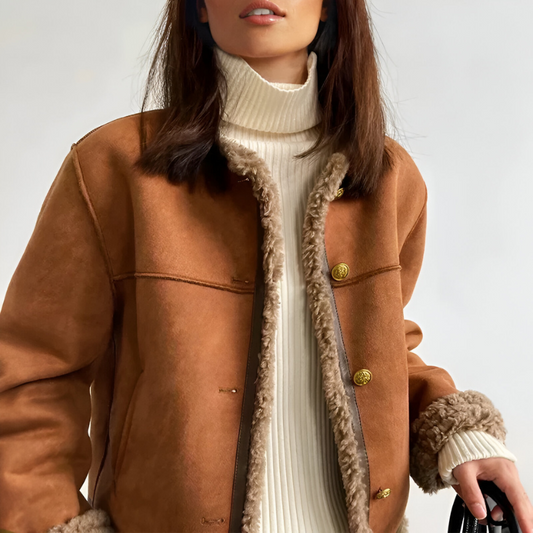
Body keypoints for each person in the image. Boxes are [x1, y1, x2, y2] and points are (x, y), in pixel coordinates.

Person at [0, 0, 531, 532]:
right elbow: (31, 375)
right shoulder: (115, 167)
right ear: (199, 8)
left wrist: (459, 433)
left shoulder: (387, 177)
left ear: (329, 8)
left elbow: (379, 346)